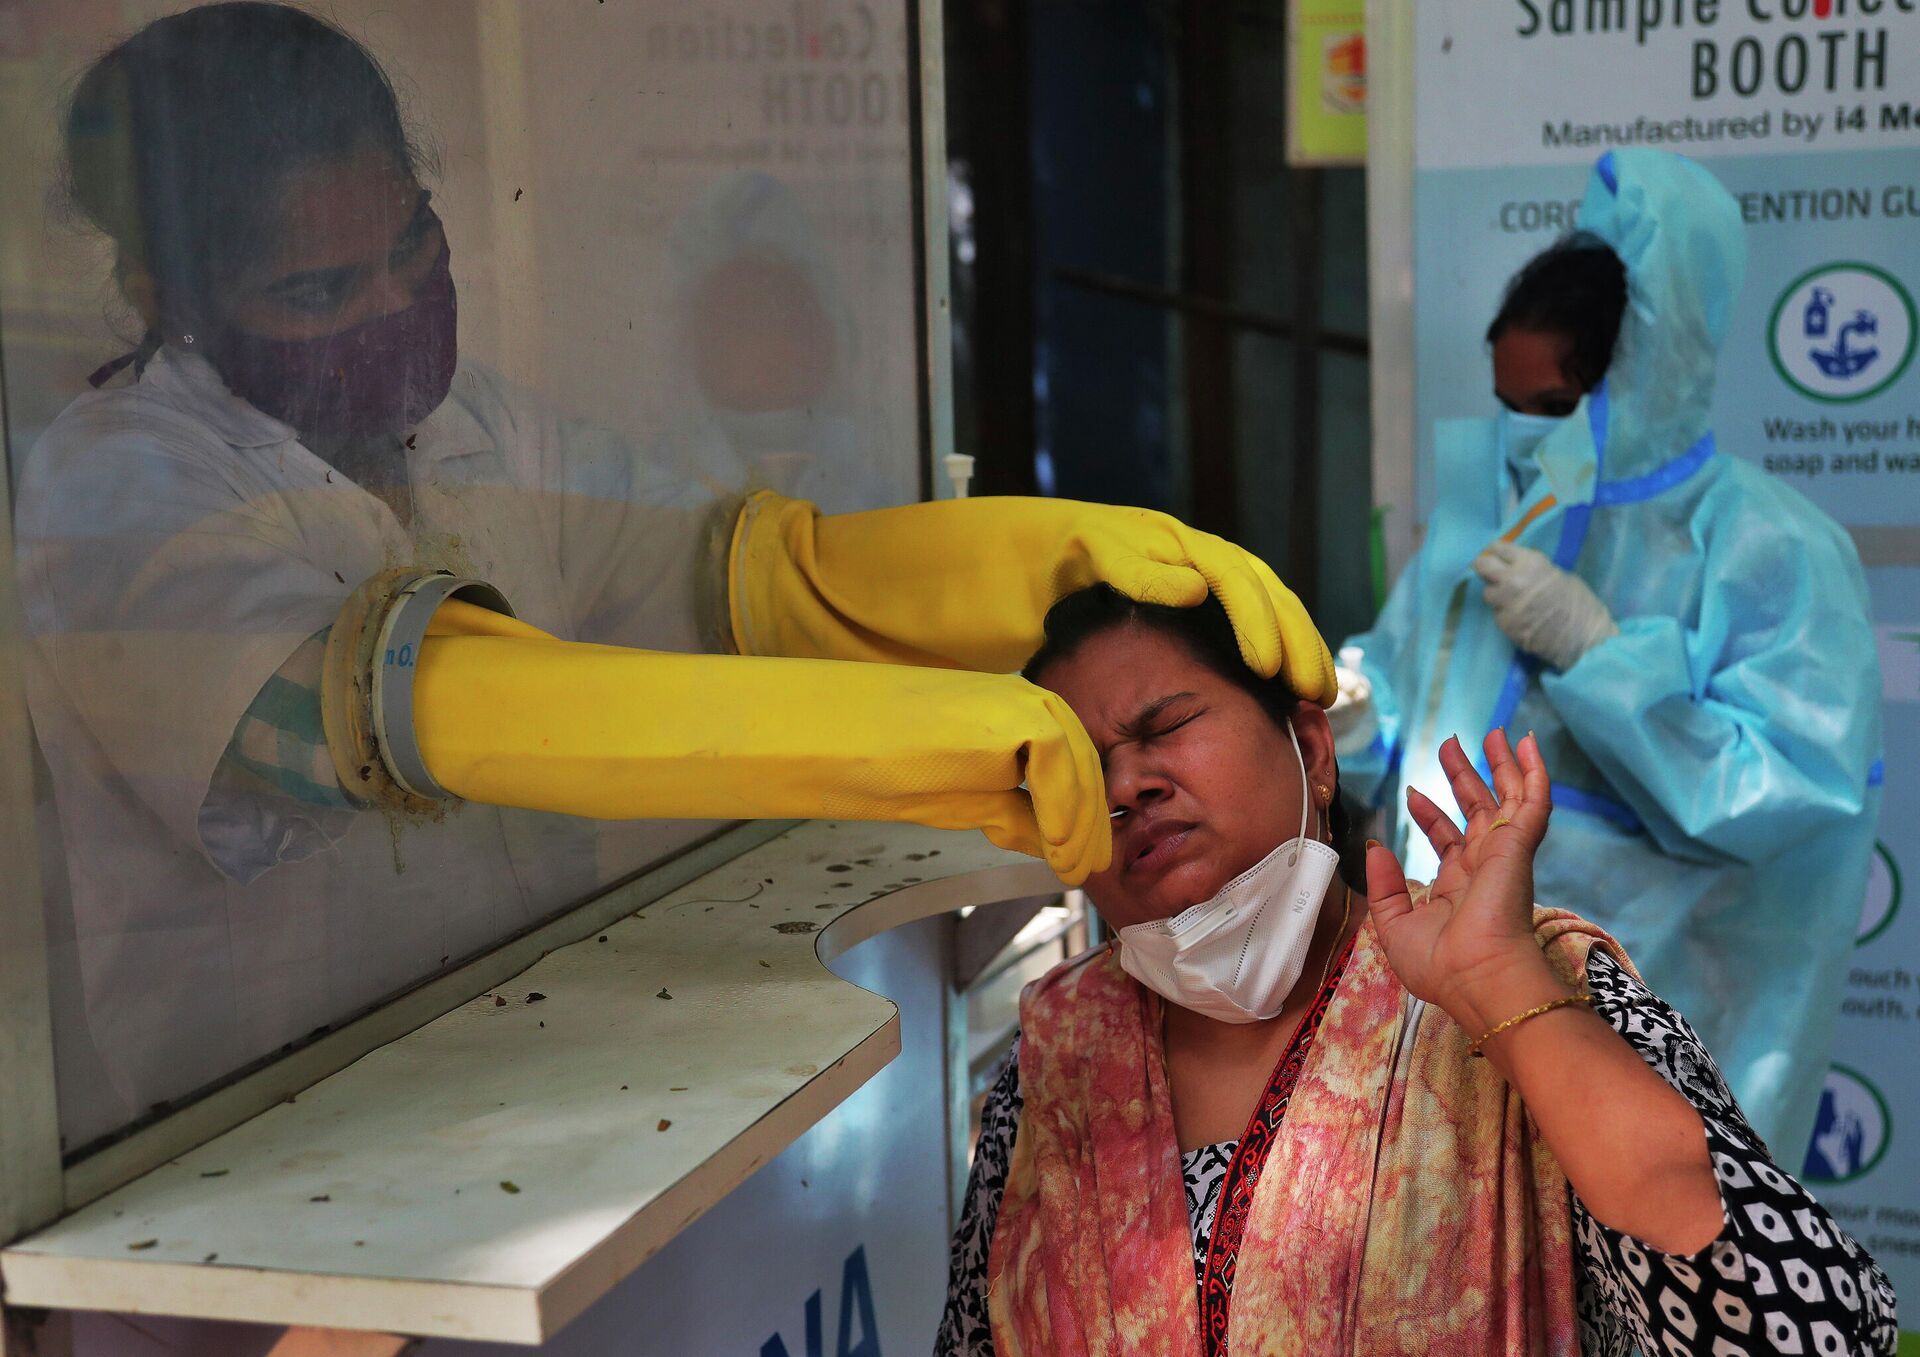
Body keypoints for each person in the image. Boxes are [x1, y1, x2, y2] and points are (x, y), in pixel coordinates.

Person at [20, 2, 1300, 1147]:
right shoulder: (121, 491)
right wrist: (898, 737)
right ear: (164, 291)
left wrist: (1002, 562)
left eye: (414, 246)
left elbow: (725, 577)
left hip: (504, 1092)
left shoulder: (475, 429)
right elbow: (388, 710)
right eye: (320, 288)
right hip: (249, 1157)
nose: (394, 305)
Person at [938, 583, 1897, 1357]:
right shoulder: (1056, 1057)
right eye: (1081, 766)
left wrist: (1500, 983)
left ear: (1312, 748)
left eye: (1164, 726)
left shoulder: (1534, 986)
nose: (1124, 785)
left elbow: (1797, 1330)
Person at [1334, 148, 1881, 1159]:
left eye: (1547, 408)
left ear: (1641, 378)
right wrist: (1349, 708)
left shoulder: (1774, 547)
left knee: (1636, 1289)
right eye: (1505, 402)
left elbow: (1791, 793)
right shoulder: (1492, 530)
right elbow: (1399, 717)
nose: (1517, 437)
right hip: (1450, 1024)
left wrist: (1602, 654)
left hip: (1662, 1038)